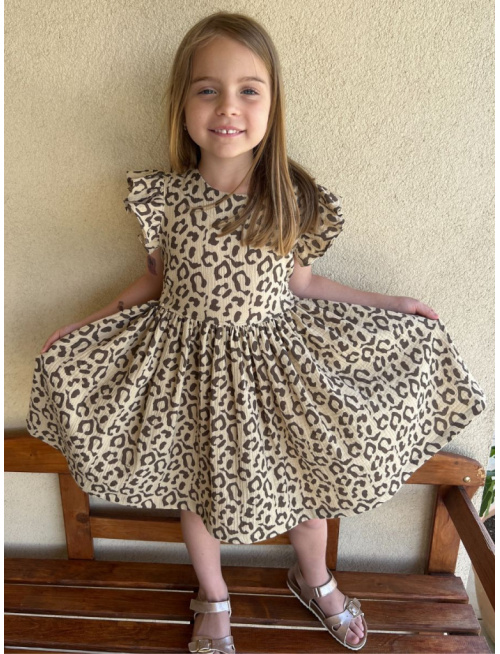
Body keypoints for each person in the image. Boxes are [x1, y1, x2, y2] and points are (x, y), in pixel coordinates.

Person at [26, 11, 487, 654]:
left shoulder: (287, 197)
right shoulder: (168, 200)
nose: (227, 106)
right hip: (188, 374)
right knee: (198, 494)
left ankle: (315, 578)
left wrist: (391, 302)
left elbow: (305, 283)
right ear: (182, 103)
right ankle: (213, 597)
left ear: (273, 105)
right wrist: (87, 323)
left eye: (249, 89)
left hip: (277, 374)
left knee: (306, 493)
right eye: (207, 88)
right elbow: (154, 283)